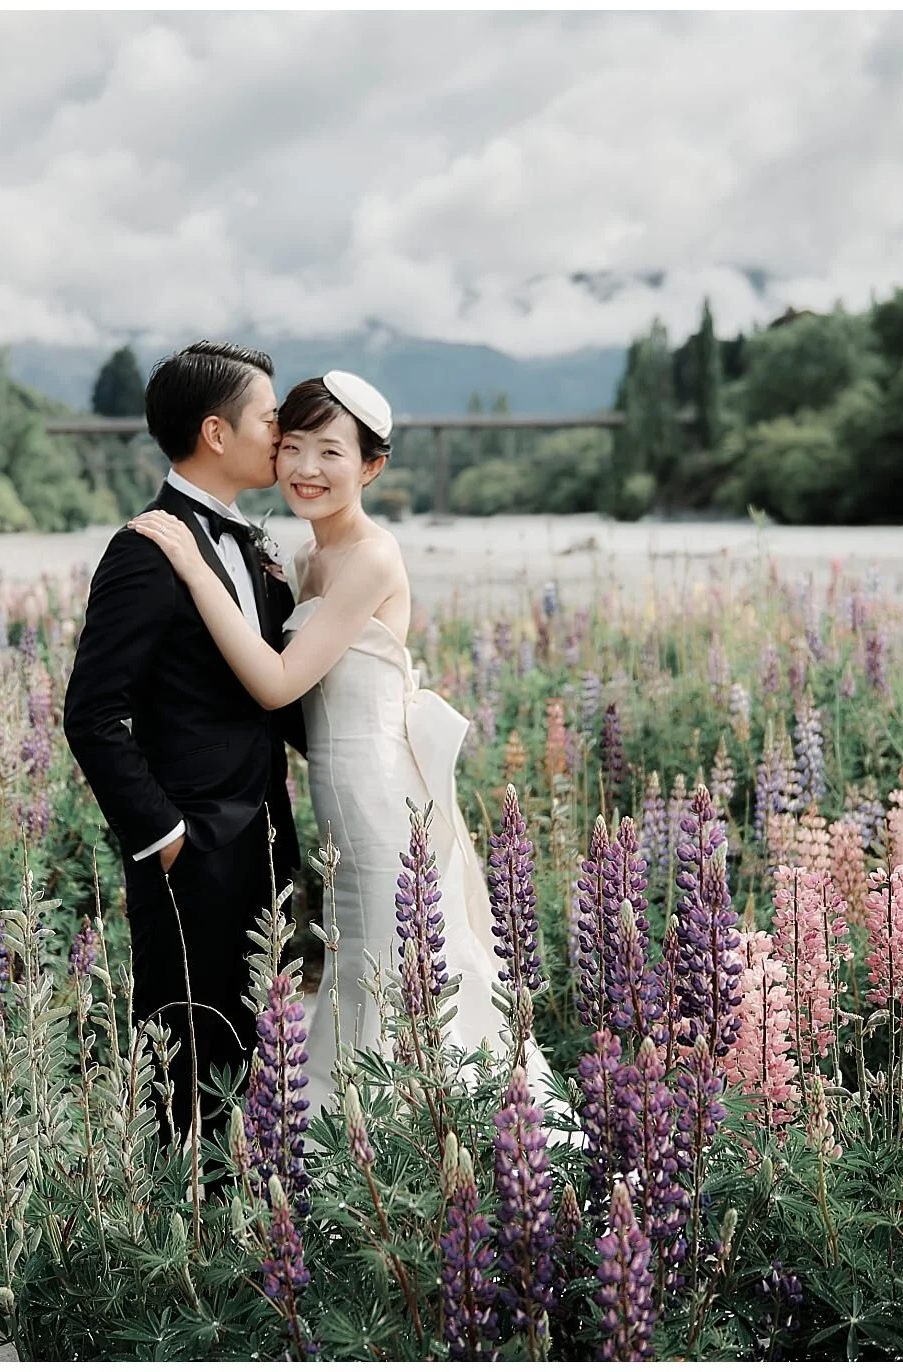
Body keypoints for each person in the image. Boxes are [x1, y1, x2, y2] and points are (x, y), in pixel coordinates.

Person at [125, 370, 570, 1111]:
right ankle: (366, 1148)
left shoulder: (373, 556)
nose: (304, 469)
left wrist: (198, 574)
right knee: (354, 967)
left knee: (396, 967)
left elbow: (276, 684)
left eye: (330, 452)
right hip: (334, 795)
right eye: (291, 446)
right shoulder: (302, 562)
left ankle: (436, 1136)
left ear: (371, 466)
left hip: (382, 798)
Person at [62, 340, 306, 1147]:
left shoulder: (252, 548)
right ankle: (186, 1249)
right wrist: (165, 837)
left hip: (267, 844)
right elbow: (91, 714)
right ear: (216, 431)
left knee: (262, 1064)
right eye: (270, 419)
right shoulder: (144, 551)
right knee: (189, 1081)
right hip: (192, 856)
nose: (283, 434)